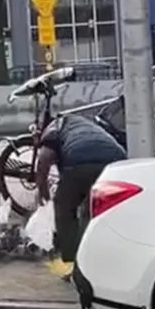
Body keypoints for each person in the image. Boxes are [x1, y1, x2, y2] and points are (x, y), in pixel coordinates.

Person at [34, 113, 127, 280]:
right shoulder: (84, 123)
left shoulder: (53, 128)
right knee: (94, 212)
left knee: (64, 210)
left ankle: (72, 264)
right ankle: (107, 260)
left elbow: (43, 161)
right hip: (117, 161)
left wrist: (43, 194)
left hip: (81, 162)